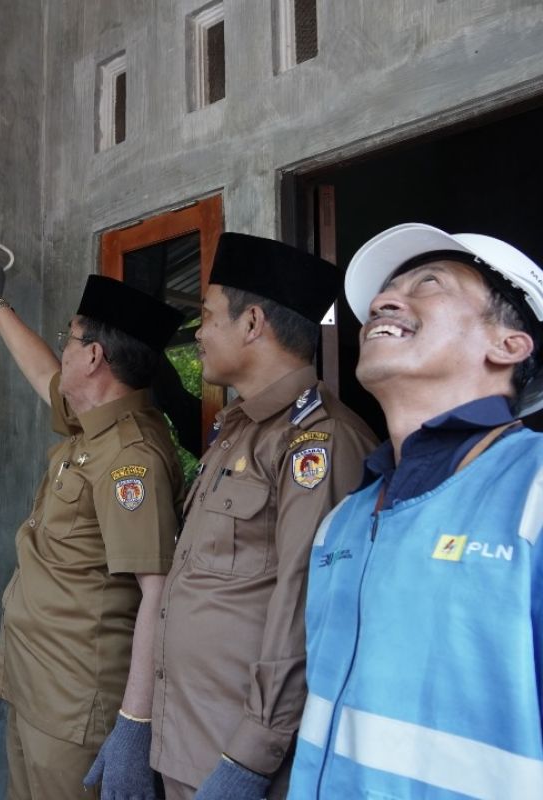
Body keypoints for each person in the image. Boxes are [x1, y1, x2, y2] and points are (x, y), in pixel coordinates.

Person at [288, 224, 543, 798]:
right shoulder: (343, 523)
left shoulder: (534, 490)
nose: (382, 300)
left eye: (430, 282)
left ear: (508, 345)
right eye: (386, 290)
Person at [150, 233, 377, 800]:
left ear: (252, 324)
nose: (197, 333)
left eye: (205, 317)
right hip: (190, 738)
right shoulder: (234, 430)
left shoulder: (320, 440)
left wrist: (248, 760)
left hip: (241, 761)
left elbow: (306, 604)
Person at [0, 257, 186, 800]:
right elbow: (43, 374)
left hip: (75, 703)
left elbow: (157, 594)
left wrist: (135, 726)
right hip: (35, 682)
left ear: (94, 356)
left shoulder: (132, 457)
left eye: (71, 335)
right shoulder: (92, 421)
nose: (63, 345)